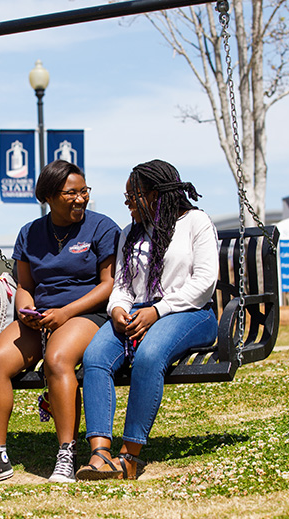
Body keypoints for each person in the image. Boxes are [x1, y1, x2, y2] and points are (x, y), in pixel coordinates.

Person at [0, 160, 120, 484]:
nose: (81, 199)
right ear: (48, 196)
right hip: (41, 317)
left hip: (87, 313)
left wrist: (65, 313)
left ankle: (65, 454)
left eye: (84, 191)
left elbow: (108, 284)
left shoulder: (102, 228)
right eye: (71, 193)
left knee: (57, 360)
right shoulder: (30, 233)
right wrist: (26, 312)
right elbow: (25, 286)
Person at [76, 159, 219, 481]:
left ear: (155, 194)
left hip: (189, 312)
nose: (127, 204)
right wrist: (117, 310)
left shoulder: (196, 222)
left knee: (149, 355)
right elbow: (124, 285)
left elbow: (205, 282)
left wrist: (158, 310)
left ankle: (130, 456)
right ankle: (100, 455)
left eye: (133, 196)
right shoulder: (131, 232)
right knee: (95, 356)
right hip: (137, 312)